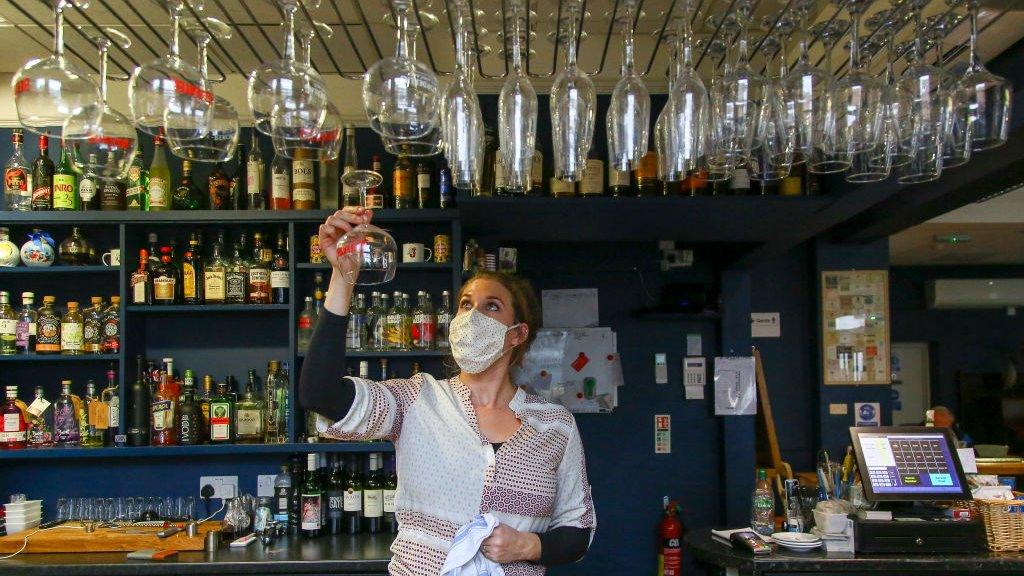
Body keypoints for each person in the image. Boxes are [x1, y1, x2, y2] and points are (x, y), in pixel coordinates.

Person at [300, 207, 596, 575]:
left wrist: (528, 545)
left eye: (491, 306)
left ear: (518, 333)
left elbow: (577, 532)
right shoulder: (416, 400)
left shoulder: (556, 426)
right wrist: (342, 276)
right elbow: (320, 394)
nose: (473, 316)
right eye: (465, 305)